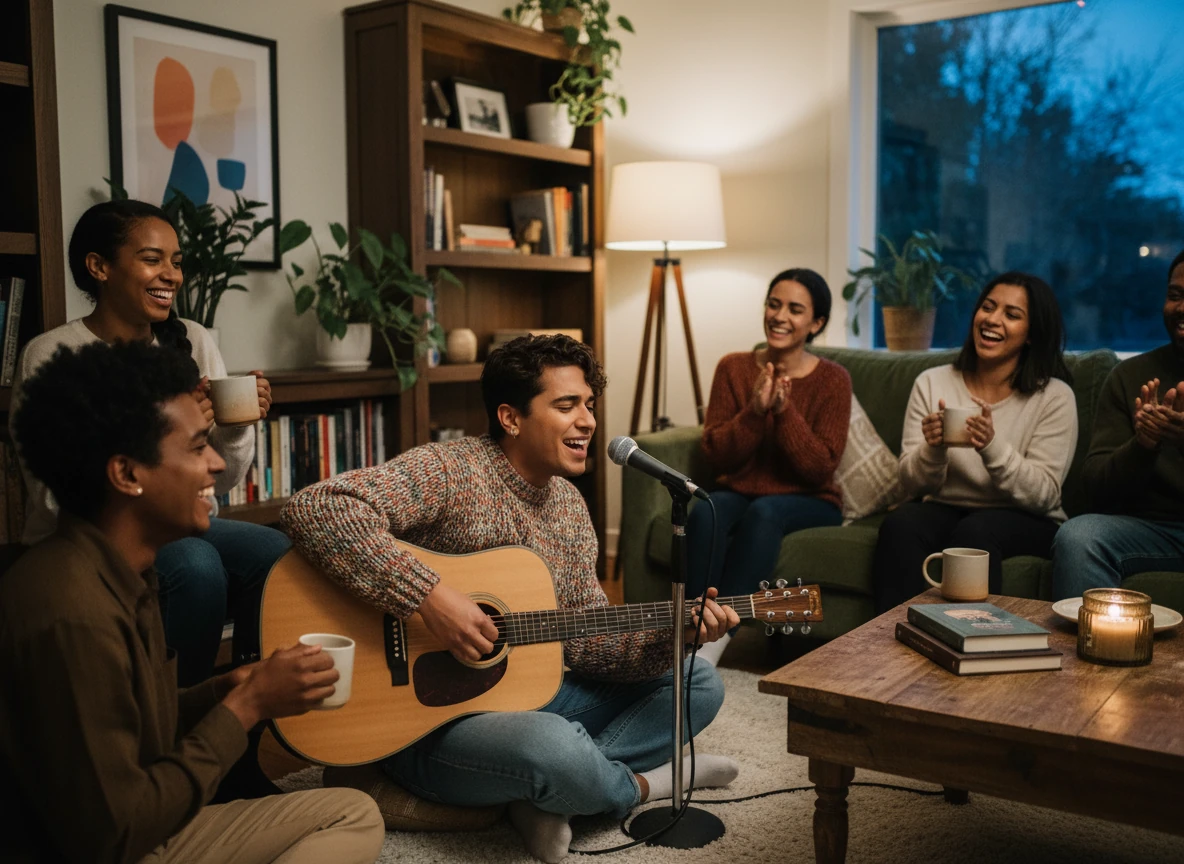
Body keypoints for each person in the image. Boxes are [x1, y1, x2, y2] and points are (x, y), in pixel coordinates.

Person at [281, 334, 740, 864]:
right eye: (566, 405)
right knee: (551, 747)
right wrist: (427, 596)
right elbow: (317, 506)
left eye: (589, 405)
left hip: (532, 695)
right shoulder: (452, 471)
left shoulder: (569, 505)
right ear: (511, 417)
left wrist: (672, 637)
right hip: (431, 721)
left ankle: (544, 796)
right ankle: (642, 785)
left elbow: (588, 642)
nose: (588, 421)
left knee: (698, 681)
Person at [0, 340, 386, 864]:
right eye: (197, 446)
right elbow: (117, 831)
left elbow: (127, 731)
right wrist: (245, 709)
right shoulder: (72, 611)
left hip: (134, 830)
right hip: (114, 847)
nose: (213, 465)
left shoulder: (127, 572)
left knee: (354, 812)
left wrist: (220, 692)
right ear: (127, 474)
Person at [10, 199, 291, 689]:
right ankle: (178, 715)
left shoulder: (196, 341)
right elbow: (54, 497)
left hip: (180, 521)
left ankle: (253, 705)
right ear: (98, 267)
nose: (172, 275)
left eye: (177, 261)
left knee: (276, 553)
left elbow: (218, 484)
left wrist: (233, 425)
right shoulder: (52, 354)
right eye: (152, 259)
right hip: (89, 539)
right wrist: (168, 439)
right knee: (197, 566)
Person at [872, 272, 1078, 613]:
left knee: (976, 532)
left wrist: (991, 446)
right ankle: (892, 643)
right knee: (901, 523)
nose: (992, 319)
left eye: (1012, 315)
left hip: (1025, 516)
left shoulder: (1054, 396)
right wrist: (933, 448)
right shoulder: (931, 382)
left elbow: (1045, 495)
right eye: (988, 307)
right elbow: (909, 481)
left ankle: (974, 645)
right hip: (946, 505)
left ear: (1031, 334)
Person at [686, 268, 851, 662]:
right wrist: (755, 412)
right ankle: (690, 625)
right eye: (774, 304)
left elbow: (819, 469)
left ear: (817, 323)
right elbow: (717, 455)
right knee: (706, 511)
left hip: (811, 499)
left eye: (795, 309)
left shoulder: (834, 380)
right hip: (737, 488)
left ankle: (717, 640)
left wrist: (785, 411)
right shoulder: (734, 368)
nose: (780, 316)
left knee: (764, 512)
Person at [1051, 251, 1184, 598]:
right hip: (1152, 529)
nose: (1181, 307)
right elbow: (1096, 488)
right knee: (1079, 535)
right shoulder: (1131, 377)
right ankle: (1086, 652)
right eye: (1175, 295)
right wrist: (1142, 444)